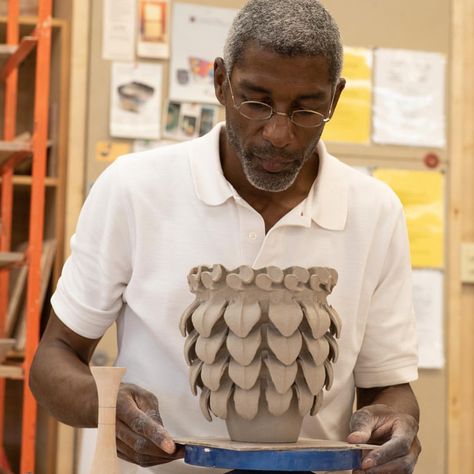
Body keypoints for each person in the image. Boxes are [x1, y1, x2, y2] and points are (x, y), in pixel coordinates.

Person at [30, 0, 421, 473]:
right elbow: (54, 358)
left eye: (306, 110)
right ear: (220, 82)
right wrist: (105, 405)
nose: (278, 133)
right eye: (256, 101)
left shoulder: (375, 212)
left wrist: (395, 424)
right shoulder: (133, 188)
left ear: (334, 99)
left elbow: (389, 387)